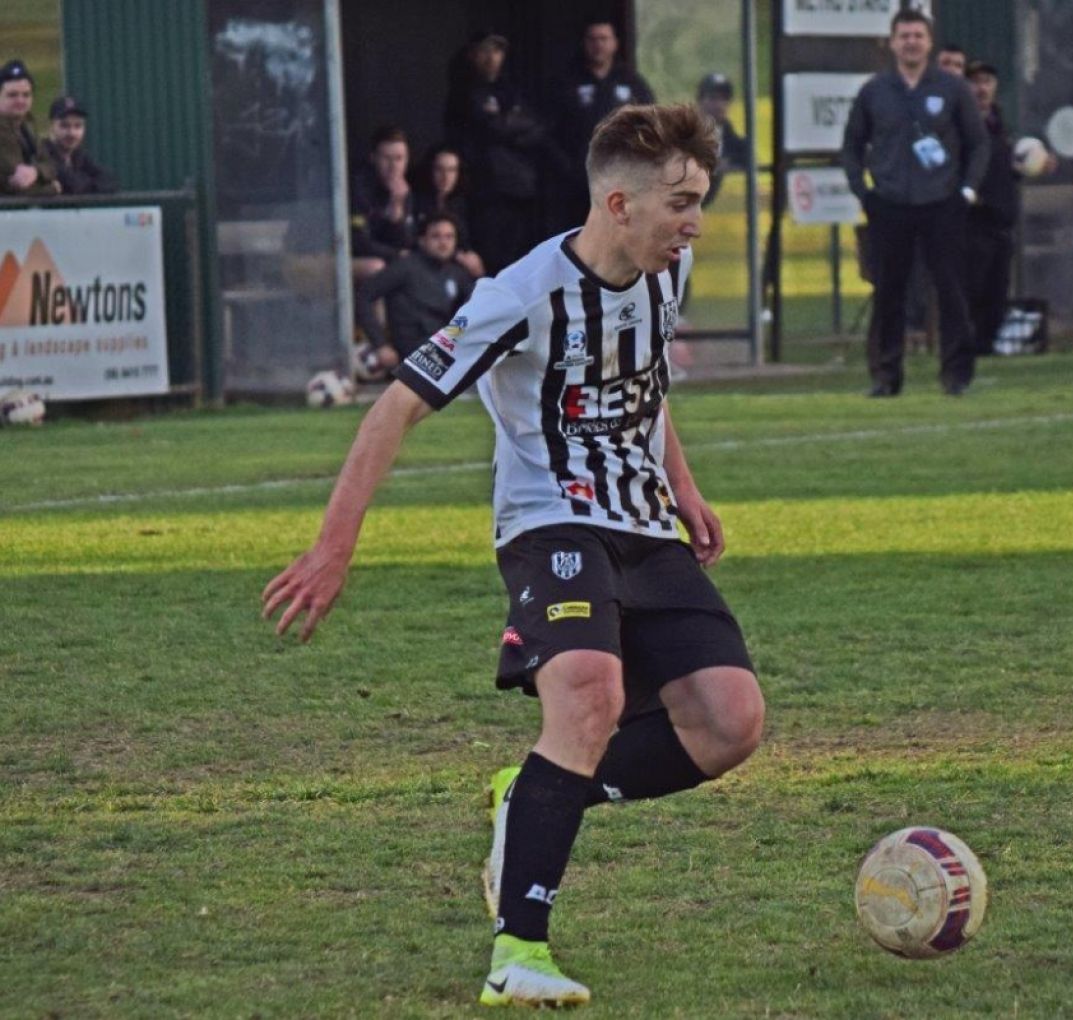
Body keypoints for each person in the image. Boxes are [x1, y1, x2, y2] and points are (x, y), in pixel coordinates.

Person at [262, 103, 761, 1011]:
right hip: (550, 522)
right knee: (589, 695)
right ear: (618, 204)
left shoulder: (665, 270)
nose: (695, 223)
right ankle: (518, 952)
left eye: (700, 201)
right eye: (682, 203)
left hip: (643, 522)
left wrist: (682, 487)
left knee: (730, 723)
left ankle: (528, 794)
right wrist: (333, 548)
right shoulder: (519, 296)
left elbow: (642, 386)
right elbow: (394, 408)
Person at [841, 8, 989, 397]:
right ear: (892, 42)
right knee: (889, 292)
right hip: (890, 203)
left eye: (918, 36)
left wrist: (966, 190)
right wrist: (864, 193)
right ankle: (886, 376)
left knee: (951, 290)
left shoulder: (952, 88)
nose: (911, 43)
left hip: (942, 202)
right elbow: (852, 146)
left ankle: (956, 375)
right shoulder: (874, 91)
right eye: (904, 36)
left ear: (929, 42)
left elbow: (978, 144)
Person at [963, 59, 1053, 353]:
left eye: (987, 82)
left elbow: (1006, 168)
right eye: (976, 82)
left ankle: (988, 345)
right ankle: (967, 345)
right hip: (974, 219)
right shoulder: (960, 125)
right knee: (973, 287)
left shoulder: (1000, 124)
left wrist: (1034, 166)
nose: (982, 88)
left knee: (997, 289)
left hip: (1002, 219)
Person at [453, 29, 551, 274]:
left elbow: (538, 128)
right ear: (473, 54)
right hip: (486, 189)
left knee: (520, 255)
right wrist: (511, 125)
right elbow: (487, 129)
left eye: (497, 51)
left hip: (520, 186)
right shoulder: (463, 92)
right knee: (492, 256)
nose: (491, 57)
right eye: (485, 51)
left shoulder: (514, 89)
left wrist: (506, 126)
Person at [552, 20, 655, 228]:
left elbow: (650, 123)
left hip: (622, 177)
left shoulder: (631, 81)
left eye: (603, 39)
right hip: (578, 182)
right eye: (593, 39)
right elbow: (549, 129)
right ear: (584, 43)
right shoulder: (567, 81)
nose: (598, 45)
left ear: (615, 43)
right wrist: (567, 166)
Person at [354, 212, 480, 372]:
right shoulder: (404, 267)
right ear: (422, 240)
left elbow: (473, 308)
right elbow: (364, 296)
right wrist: (380, 344)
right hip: (413, 351)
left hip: (446, 346)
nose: (443, 243)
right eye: (436, 236)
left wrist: (478, 275)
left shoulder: (457, 273)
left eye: (449, 237)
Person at [350, 126, 416, 281]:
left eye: (399, 159)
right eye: (387, 158)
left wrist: (396, 214)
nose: (393, 166)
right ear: (373, 158)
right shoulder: (358, 188)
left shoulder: (403, 190)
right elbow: (358, 242)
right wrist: (395, 254)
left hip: (386, 259)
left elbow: (406, 243)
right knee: (376, 267)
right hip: (343, 258)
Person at [413, 145, 485, 278]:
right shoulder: (415, 200)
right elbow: (413, 239)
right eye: (439, 169)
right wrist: (456, 255)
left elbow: (465, 240)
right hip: (422, 262)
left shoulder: (462, 204)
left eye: (451, 170)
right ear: (430, 170)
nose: (445, 176)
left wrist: (469, 256)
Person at [0, 59, 60, 197]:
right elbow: (17, 185)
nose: (20, 100)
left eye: (26, 95)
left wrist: (36, 171)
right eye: (12, 95)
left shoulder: (27, 127)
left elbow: (52, 165)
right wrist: (52, 188)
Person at [41, 96, 117, 195]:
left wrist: (86, 183)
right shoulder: (42, 153)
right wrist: (90, 183)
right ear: (51, 127)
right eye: (64, 126)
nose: (72, 133)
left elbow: (110, 180)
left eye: (78, 126)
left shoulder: (78, 155)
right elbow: (72, 184)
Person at [695, 73, 749, 208]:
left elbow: (746, 159)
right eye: (713, 98)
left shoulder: (730, 137)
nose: (719, 105)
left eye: (724, 99)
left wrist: (728, 163)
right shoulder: (684, 134)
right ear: (700, 102)